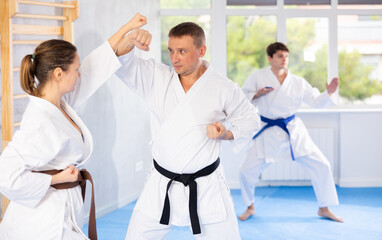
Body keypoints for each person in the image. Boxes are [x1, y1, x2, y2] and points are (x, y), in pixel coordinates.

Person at [0, 13, 147, 240]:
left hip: (59, 214)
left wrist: (127, 28)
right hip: (40, 224)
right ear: (59, 74)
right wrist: (55, 179)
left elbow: (93, 67)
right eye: (75, 69)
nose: (79, 74)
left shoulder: (60, 103)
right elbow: (5, 176)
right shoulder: (40, 121)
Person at [114, 21, 260, 239]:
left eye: (182, 51)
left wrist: (225, 133)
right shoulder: (157, 76)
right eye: (171, 51)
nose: (175, 58)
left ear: (201, 50)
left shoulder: (223, 87)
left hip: (207, 186)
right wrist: (130, 39)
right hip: (161, 183)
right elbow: (122, 61)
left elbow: (251, 119)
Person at [238, 42, 343, 223]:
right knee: (245, 171)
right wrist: (257, 94)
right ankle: (250, 206)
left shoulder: (297, 82)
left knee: (322, 165)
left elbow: (316, 101)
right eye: (280, 56)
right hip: (268, 132)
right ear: (270, 58)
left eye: (286, 56)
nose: (284, 59)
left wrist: (329, 93)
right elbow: (241, 97)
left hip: (293, 132)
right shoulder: (258, 77)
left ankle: (324, 207)